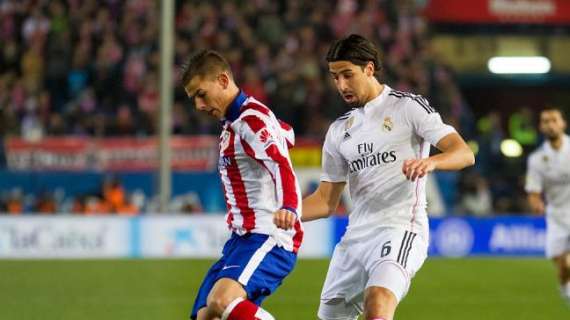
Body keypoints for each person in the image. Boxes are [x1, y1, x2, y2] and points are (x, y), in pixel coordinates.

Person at [301, 34, 474, 320]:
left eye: (348, 75)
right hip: (355, 239)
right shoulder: (338, 130)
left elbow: (463, 153)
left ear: (369, 69)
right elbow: (324, 201)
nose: (341, 85)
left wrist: (431, 162)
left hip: (400, 227)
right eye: (335, 77)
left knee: (378, 301)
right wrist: (281, 214)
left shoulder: (408, 107)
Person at [181, 50, 304, 320]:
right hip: (240, 239)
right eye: (193, 99)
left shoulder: (250, 119)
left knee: (221, 301)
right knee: (206, 316)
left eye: (201, 94)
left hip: (268, 234)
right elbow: (286, 133)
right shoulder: (235, 123)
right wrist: (277, 130)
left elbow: (280, 164)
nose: (199, 106)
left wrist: (289, 206)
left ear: (223, 80)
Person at [525, 108, 570, 304]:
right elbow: (533, 191)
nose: (550, 124)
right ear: (541, 127)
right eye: (545, 121)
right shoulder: (536, 159)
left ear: (563, 124)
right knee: (562, 265)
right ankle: (564, 287)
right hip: (556, 216)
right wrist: (536, 204)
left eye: (554, 120)